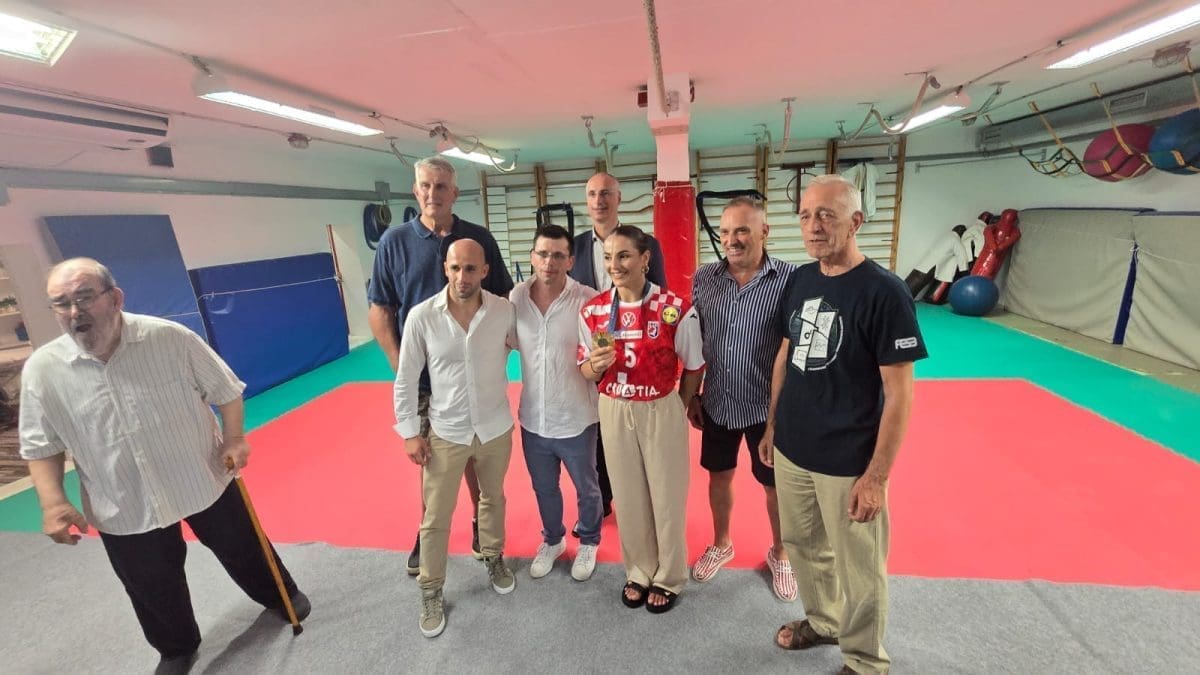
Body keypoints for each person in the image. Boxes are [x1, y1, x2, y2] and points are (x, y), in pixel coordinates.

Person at [19, 258, 309, 674]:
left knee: (243, 546)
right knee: (149, 584)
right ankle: (176, 646)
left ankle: (281, 595)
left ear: (115, 298)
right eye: (61, 303)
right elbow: (39, 444)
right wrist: (53, 502)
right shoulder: (42, 370)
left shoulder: (169, 338)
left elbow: (226, 390)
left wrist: (233, 438)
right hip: (121, 499)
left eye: (84, 297)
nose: (74, 311)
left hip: (200, 474)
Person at [759, 175, 927, 675]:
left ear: (856, 222)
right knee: (805, 547)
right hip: (793, 448)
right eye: (806, 216)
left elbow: (900, 393)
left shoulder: (884, 292)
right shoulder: (800, 279)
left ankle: (865, 660)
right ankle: (825, 621)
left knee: (860, 565)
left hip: (849, 459)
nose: (814, 226)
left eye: (827, 215)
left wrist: (876, 476)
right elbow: (786, 355)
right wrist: (772, 426)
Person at [368, 156, 514, 575]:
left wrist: (494, 356)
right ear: (416, 190)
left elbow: (504, 302)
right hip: (424, 377)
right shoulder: (394, 242)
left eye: (441, 186)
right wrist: (402, 366)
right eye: (425, 186)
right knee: (432, 463)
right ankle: (428, 532)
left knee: (478, 457)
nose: (433, 193)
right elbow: (380, 308)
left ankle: (482, 526)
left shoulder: (479, 238)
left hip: (473, 375)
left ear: (455, 192)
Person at [394, 239, 517, 639]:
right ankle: (430, 588)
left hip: (495, 426)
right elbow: (406, 378)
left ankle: (493, 556)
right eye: (454, 268)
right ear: (445, 269)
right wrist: (410, 433)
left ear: (485, 271)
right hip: (446, 430)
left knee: (493, 498)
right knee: (436, 515)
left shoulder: (503, 311)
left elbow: (534, 346)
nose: (462, 277)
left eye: (470, 269)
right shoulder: (422, 316)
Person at [578, 225, 703, 614]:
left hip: (660, 405)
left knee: (667, 496)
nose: (615, 265)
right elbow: (585, 369)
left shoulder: (674, 308)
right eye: (608, 257)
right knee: (628, 495)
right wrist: (594, 366)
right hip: (614, 407)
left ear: (645, 259)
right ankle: (639, 570)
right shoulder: (594, 311)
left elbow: (694, 365)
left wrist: (677, 406)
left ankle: (670, 575)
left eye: (624, 256)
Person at [686, 196, 798, 601]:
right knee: (718, 475)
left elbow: (792, 348)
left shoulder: (789, 279)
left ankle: (781, 552)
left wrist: (779, 417)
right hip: (717, 400)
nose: (732, 240)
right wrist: (692, 395)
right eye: (725, 232)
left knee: (774, 486)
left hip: (765, 407)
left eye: (742, 231)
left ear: (764, 231)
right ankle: (722, 543)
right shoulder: (705, 278)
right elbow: (695, 340)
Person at [568, 172, 667, 524]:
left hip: (636, 348)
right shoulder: (575, 247)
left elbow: (660, 297)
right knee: (595, 429)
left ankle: (645, 501)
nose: (599, 201)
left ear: (619, 198)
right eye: (592, 194)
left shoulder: (645, 244)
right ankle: (601, 501)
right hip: (593, 345)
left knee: (636, 431)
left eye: (606, 193)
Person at [510, 225, 603, 581]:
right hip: (534, 418)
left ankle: (589, 541)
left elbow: (603, 353)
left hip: (577, 416)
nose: (549, 262)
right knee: (544, 487)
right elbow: (503, 342)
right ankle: (553, 539)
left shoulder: (588, 299)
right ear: (532, 257)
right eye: (543, 254)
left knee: (587, 487)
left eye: (558, 255)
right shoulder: (516, 297)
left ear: (570, 261)